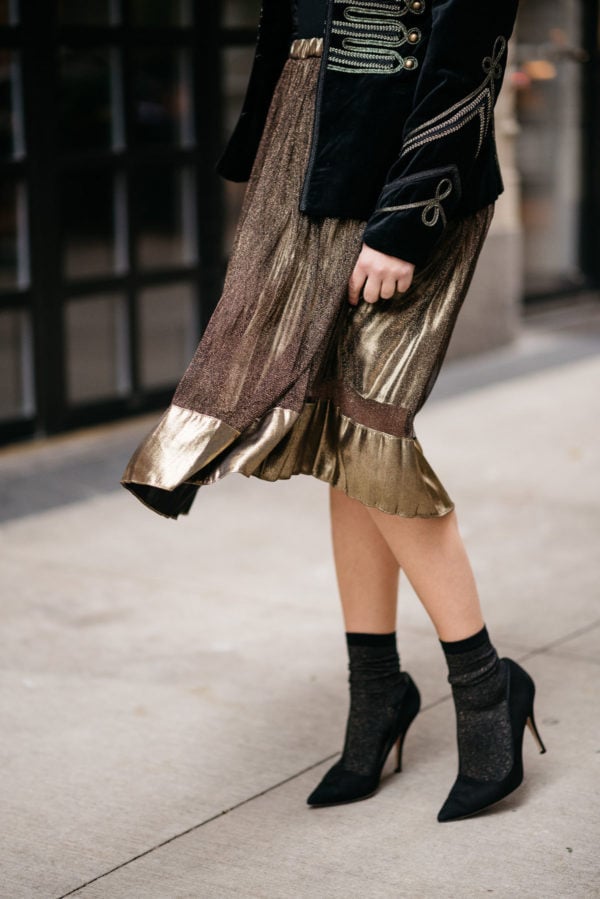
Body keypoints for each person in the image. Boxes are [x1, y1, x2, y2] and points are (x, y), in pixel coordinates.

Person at [122, 0, 547, 821]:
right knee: (333, 430)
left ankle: (485, 681)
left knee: (369, 427)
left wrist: (404, 218)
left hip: (405, 171)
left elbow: (469, 46)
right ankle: (377, 688)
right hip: (305, 154)